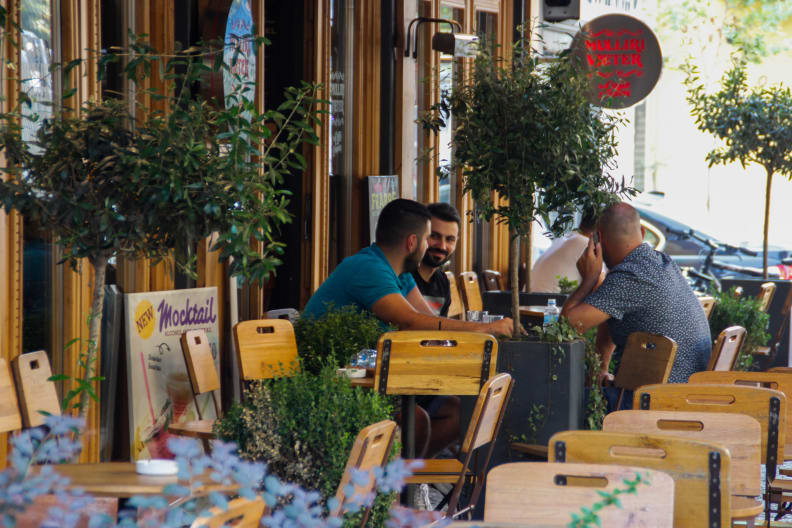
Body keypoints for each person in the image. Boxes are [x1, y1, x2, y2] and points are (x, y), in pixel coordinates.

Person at [303, 198, 514, 336]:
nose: (430, 246)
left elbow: (429, 321)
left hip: (362, 376)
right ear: (412, 242)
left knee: (451, 403)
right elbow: (410, 323)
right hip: (327, 382)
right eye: (428, 238)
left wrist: (482, 330)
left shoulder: (400, 272)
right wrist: (485, 328)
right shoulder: (368, 268)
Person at [561, 202, 711, 387]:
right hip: (685, 391)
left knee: (571, 402)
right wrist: (602, 371)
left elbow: (566, 328)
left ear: (598, 238)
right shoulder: (661, 261)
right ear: (641, 232)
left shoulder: (630, 275)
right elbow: (609, 318)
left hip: (657, 400)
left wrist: (589, 279)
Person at [410, 202, 460, 316]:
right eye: (434, 236)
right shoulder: (403, 276)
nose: (442, 246)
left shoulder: (443, 282)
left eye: (450, 239)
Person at [531, 211, 600, 293]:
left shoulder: (566, 238)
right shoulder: (588, 246)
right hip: (548, 304)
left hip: (528, 302)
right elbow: (603, 291)